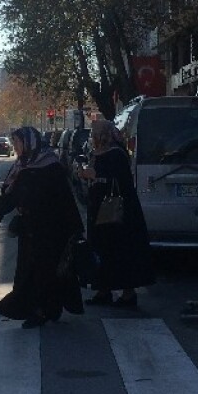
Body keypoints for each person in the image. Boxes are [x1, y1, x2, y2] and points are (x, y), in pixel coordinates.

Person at [0, 126, 84, 327]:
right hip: (29, 229)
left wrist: (75, 229)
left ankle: (44, 310)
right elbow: (10, 194)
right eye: (14, 142)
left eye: (17, 142)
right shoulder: (21, 166)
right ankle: (44, 309)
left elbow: (66, 199)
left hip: (51, 230)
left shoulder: (51, 166)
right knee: (28, 272)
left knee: (46, 272)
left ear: (29, 142)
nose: (15, 147)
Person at [77, 117, 151, 307]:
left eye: (97, 134)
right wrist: (85, 175)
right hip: (99, 212)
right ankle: (103, 290)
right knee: (102, 250)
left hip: (117, 214)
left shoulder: (116, 154)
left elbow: (120, 182)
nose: (94, 137)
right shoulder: (97, 153)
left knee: (120, 252)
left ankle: (128, 294)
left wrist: (97, 176)